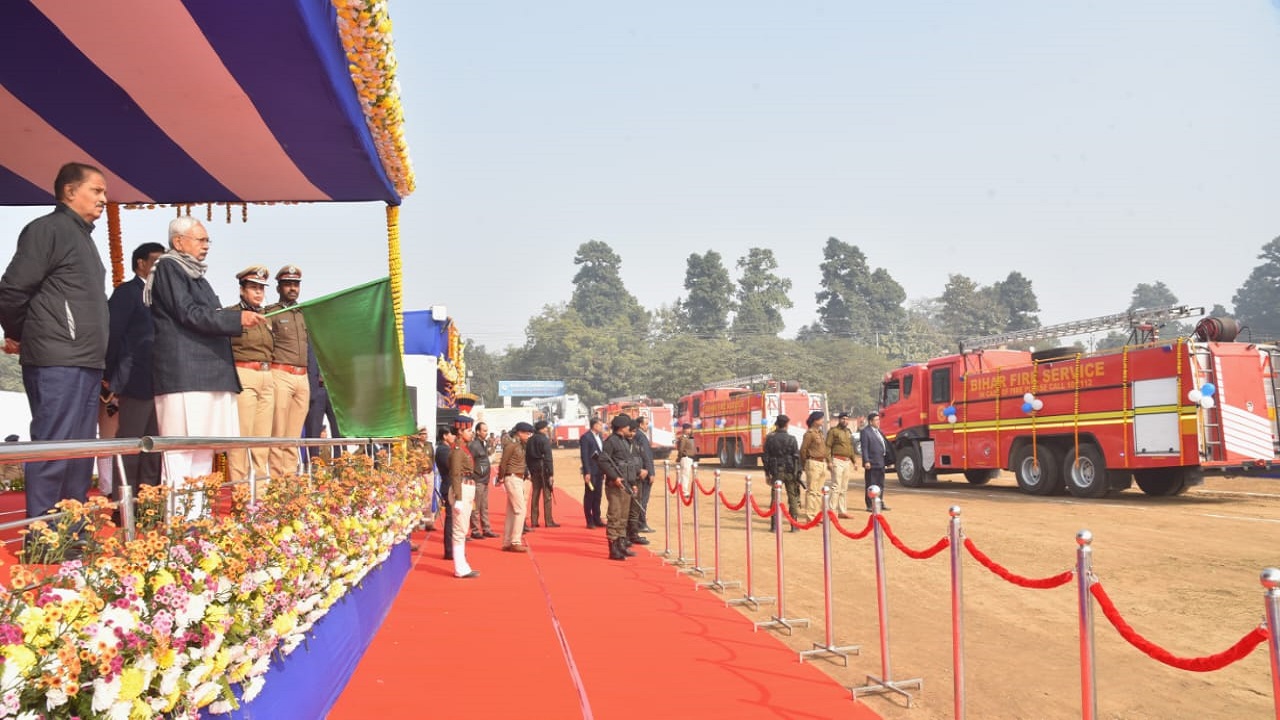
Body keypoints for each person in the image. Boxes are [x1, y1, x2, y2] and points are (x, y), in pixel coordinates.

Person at [0, 163, 110, 524]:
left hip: (87, 360)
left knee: (80, 453)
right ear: (69, 192)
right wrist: (18, 333)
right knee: (54, 447)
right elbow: (13, 289)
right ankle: (44, 535)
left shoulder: (83, 237)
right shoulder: (47, 230)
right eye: (96, 190)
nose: (103, 199)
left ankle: (70, 531)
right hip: (56, 359)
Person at [147, 217, 267, 519]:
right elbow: (189, 313)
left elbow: (206, 312)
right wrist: (235, 319)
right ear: (179, 242)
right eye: (201, 240)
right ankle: (178, 521)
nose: (206, 246)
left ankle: (196, 517)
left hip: (209, 372)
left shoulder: (196, 275)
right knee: (179, 451)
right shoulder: (169, 267)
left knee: (203, 450)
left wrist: (234, 320)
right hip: (184, 374)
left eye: (207, 241)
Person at [104, 242, 166, 499]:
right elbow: (112, 335)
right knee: (131, 446)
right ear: (141, 263)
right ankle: (124, 504)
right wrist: (108, 376)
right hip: (134, 381)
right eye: (156, 262)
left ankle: (147, 505)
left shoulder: (164, 297)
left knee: (154, 450)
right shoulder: (127, 293)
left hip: (161, 383)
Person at [225, 266, 275, 482]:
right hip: (244, 374)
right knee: (241, 439)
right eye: (253, 287)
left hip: (267, 375)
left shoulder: (268, 316)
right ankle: (242, 495)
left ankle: (261, 498)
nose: (258, 293)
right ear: (242, 289)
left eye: (261, 288)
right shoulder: (232, 315)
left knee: (262, 441)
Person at [265, 265, 309, 478]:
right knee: (278, 433)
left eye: (295, 284)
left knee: (293, 437)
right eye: (288, 284)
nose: (292, 288)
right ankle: (275, 482)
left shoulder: (305, 312)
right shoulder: (272, 313)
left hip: (302, 377)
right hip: (280, 374)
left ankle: (289, 482)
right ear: (279, 287)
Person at [597, 413, 641, 561]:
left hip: (627, 484)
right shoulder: (611, 442)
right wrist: (614, 477)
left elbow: (629, 464)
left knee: (623, 517)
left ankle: (621, 544)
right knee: (615, 516)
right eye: (628, 426)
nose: (631, 428)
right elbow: (603, 461)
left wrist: (633, 483)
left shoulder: (625, 441)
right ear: (622, 427)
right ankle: (613, 548)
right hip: (616, 485)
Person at [447, 415, 481, 578]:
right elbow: (455, 474)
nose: (471, 433)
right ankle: (460, 568)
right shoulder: (457, 450)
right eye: (468, 430)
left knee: (462, 529)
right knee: (459, 530)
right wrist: (459, 498)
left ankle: (462, 565)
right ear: (460, 431)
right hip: (461, 488)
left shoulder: (464, 448)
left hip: (466, 487)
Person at [497, 421, 534, 552]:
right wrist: (500, 477)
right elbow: (503, 463)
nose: (529, 435)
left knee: (512, 511)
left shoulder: (522, 445)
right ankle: (515, 541)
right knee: (520, 510)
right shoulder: (511, 445)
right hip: (512, 477)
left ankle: (507, 541)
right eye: (527, 433)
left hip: (517, 478)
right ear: (519, 433)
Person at [763, 414, 801, 532]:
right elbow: (797, 458)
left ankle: (774, 526)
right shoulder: (792, 439)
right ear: (786, 425)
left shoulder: (770, 438)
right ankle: (794, 525)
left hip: (776, 471)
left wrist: (767, 473)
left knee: (775, 498)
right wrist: (798, 473)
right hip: (790, 471)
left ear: (777, 424)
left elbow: (766, 457)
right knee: (793, 498)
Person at [304, 344, 341, 460]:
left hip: (335, 390)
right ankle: (313, 469)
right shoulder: (310, 334)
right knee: (313, 432)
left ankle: (341, 467)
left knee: (339, 432)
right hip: (316, 388)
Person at [468, 421, 498, 539]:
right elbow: (470, 462)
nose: (486, 432)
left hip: (484, 479)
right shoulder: (474, 445)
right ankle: (475, 530)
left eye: (486, 430)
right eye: (484, 430)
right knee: (476, 507)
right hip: (477, 480)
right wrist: (472, 477)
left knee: (484, 506)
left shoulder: (483, 444)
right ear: (478, 431)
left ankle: (486, 529)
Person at [825, 412, 858, 518]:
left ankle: (842, 511)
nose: (845, 421)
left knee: (844, 488)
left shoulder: (848, 432)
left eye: (847, 419)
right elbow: (828, 447)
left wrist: (854, 461)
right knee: (836, 486)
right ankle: (832, 511)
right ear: (839, 420)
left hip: (846, 461)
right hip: (837, 460)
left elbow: (850, 448)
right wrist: (829, 461)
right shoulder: (833, 431)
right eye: (843, 418)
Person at [526, 419, 557, 528]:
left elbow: (527, 458)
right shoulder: (544, 440)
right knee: (547, 495)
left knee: (535, 494)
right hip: (544, 468)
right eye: (545, 428)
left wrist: (529, 470)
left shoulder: (530, 440)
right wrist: (551, 473)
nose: (547, 430)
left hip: (534, 469)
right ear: (542, 429)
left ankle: (534, 521)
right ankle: (549, 521)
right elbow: (548, 458)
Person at [799, 410, 829, 521]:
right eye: (821, 419)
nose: (822, 421)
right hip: (813, 462)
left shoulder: (820, 433)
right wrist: (804, 463)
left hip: (822, 463)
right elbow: (803, 450)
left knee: (818, 491)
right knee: (812, 490)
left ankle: (816, 515)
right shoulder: (809, 434)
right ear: (815, 421)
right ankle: (811, 516)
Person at [860, 411, 893, 511]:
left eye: (879, 420)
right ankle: (870, 505)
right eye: (876, 420)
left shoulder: (879, 431)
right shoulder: (865, 432)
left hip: (881, 461)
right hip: (871, 462)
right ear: (870, 422)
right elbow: (864, 448)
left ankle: (880, 502)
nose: (878, 422)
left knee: (880, 484)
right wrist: (866, 461)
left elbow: (884, 446)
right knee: (871, 484)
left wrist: (888, 461)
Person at [579, 418, 605, 528]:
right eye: (600, 424)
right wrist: (587, 472)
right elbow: (584, 456)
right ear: (594, 425)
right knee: (590, 495)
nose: (601, 427)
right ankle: (589, 521)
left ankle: (597, 518)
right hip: (591, 471)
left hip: (599, 471)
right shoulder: (586, 437)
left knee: (598, 495)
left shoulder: (599, 437)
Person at [633, 414, 657, 533]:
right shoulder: (641, 437)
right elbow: (646, 456)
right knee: (643, 499)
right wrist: (651, 472)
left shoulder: (637, 435)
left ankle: (638, 522)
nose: (648, 426)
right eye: (646, 423)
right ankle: (641, 523)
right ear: (641, 425)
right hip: (644, 472)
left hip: (640, 471)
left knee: (640, 498)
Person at [435, 425, 456, 560]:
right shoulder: (443, 450)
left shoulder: (447, 449)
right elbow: (452, 466)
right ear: (444, 436)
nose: (453, 436)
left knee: (454, 520)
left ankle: (453, 549)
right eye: (451, 434)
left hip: (450, 485)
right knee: (451, 519)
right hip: (448, 486)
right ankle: (449, 550)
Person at [676, 422, 696, 494]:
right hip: (685, 457)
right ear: (684, 430)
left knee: (685, 475)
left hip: (689, 458)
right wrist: (679, 457)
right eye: (688, 429)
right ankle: (684, 491)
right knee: (685, 475)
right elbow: (681, 449)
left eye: (690, 429)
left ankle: (681, 489)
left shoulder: (689, 437)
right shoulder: (684, 438)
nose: (690, 430)